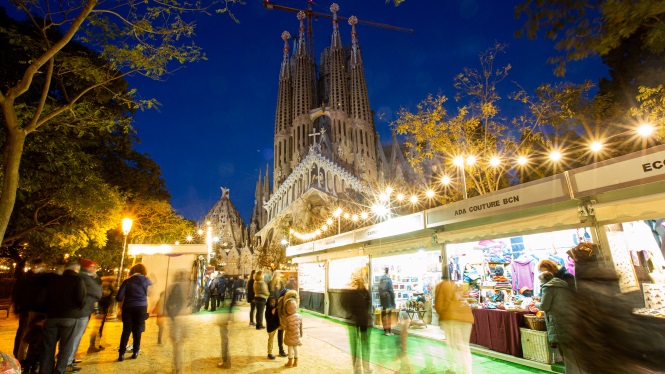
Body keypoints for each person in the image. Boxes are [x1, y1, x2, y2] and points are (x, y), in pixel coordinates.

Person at [40, 261, 86, 374]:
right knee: (65, 347)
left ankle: (45, 371)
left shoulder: (53, 280)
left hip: (52, 316)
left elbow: (44, 297)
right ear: (76, 269)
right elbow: (81, 299)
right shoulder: (77, 280)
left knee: (48, 348)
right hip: (70, 317)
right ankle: (59, 371)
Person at [536, 271, 581, 374]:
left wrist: (536, 304)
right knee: (571, 351)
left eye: (539, 280)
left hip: (557, 321)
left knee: (565, 352)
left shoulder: (548, 287)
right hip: (569, 320)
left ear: (543, 279)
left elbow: (544, 306)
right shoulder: (563, 285)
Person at [434, 279, 473, 374]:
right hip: (467, 317)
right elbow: (468, 298)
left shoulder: (441, 285)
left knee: (451, 344)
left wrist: (441, 317)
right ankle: (467, 371)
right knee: (464, 346)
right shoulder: (460, 285)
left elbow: (439, 304)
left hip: (451, 318)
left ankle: (452, 368)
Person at [12, 259, 47, 363]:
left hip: (35, 308)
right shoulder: (25, 278)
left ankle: (27, 356)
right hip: (27, 309)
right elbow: (17, 294)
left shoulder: (39, 278)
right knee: (24, 333)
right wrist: (17, 309)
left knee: (31, 333)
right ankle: (20, 357)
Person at [69, 258, 102, 369]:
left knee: (75, 336)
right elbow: (98, 292)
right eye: (93, 267)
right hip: (81, 311)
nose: (95, 269)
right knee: (75, 336)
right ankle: (68, 361)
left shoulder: (84, 277)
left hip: (83, 310)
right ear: (88, 267)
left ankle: (70, 358)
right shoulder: (84, 277)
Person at [116, 263, 152, 361]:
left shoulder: (127, 282)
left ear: (132, 271)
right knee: (137, 330)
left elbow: (119, 297)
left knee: (126, 330)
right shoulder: (147, 281)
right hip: (141, 307)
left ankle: (121, 354)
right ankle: (135, 351)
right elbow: (151, 293)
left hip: (128, 307)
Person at [342, 277, 372, 374]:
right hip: (362, 320)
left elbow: (345, 305)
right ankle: (365, 367)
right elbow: (368, 306)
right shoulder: (365, 293)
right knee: (364, 345)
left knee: (356, 346)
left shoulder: (354, 293)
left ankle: (358, 368)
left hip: (355, 320)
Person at [166, 271, 192, 374]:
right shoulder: (189, 286)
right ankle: (179, 368)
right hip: (185, 319)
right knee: (180, 345)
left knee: (177, 346)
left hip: (177, 319)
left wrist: (172, 315)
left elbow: (169, 304)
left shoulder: (173, 287)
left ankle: (177, 369)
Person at [216, 289, 237, 369]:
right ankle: (226, 360)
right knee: (225, 340)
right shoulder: (229, 288)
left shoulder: (227, 290)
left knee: (225, 341)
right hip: (226, 318)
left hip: (225, 319)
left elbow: (228, 305)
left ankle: (226, 362)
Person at [283, 290, 303, 368]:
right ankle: (296, 361)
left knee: (290, 348)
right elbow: (301, 327)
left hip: (289, 336)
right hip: (296, 336)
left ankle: (290, 361)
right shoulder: (299, 316)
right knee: (296, 348)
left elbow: (285, 327)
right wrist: (300, 335)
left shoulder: (287, 318)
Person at [378, 267, 395, 336]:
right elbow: (391, 290)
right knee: (389, 315)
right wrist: (393, 300)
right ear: (389, 272)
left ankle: (385, 331)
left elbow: (379, 290)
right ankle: (389, 330)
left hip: (383, 300)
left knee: (384, 315)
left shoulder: (381, 279)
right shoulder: (389, 279)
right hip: (389, 300)